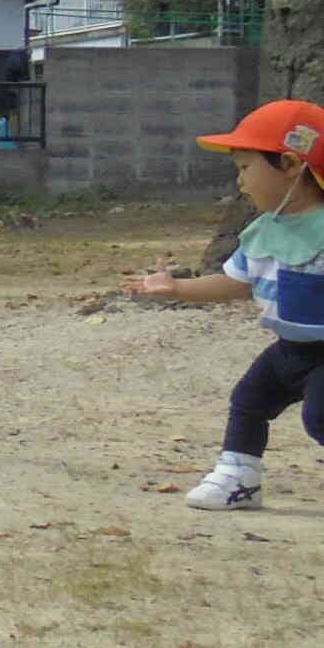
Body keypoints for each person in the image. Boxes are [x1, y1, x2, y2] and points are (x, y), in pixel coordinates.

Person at [122, 100, 324, 512]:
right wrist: (177, 288)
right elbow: (236, 283)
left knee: (319, 418)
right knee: (249, 401)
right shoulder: (264, 230)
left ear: (290, 164)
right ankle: (239, 478)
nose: (240, 182)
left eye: (246, 168)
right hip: (288, 348)